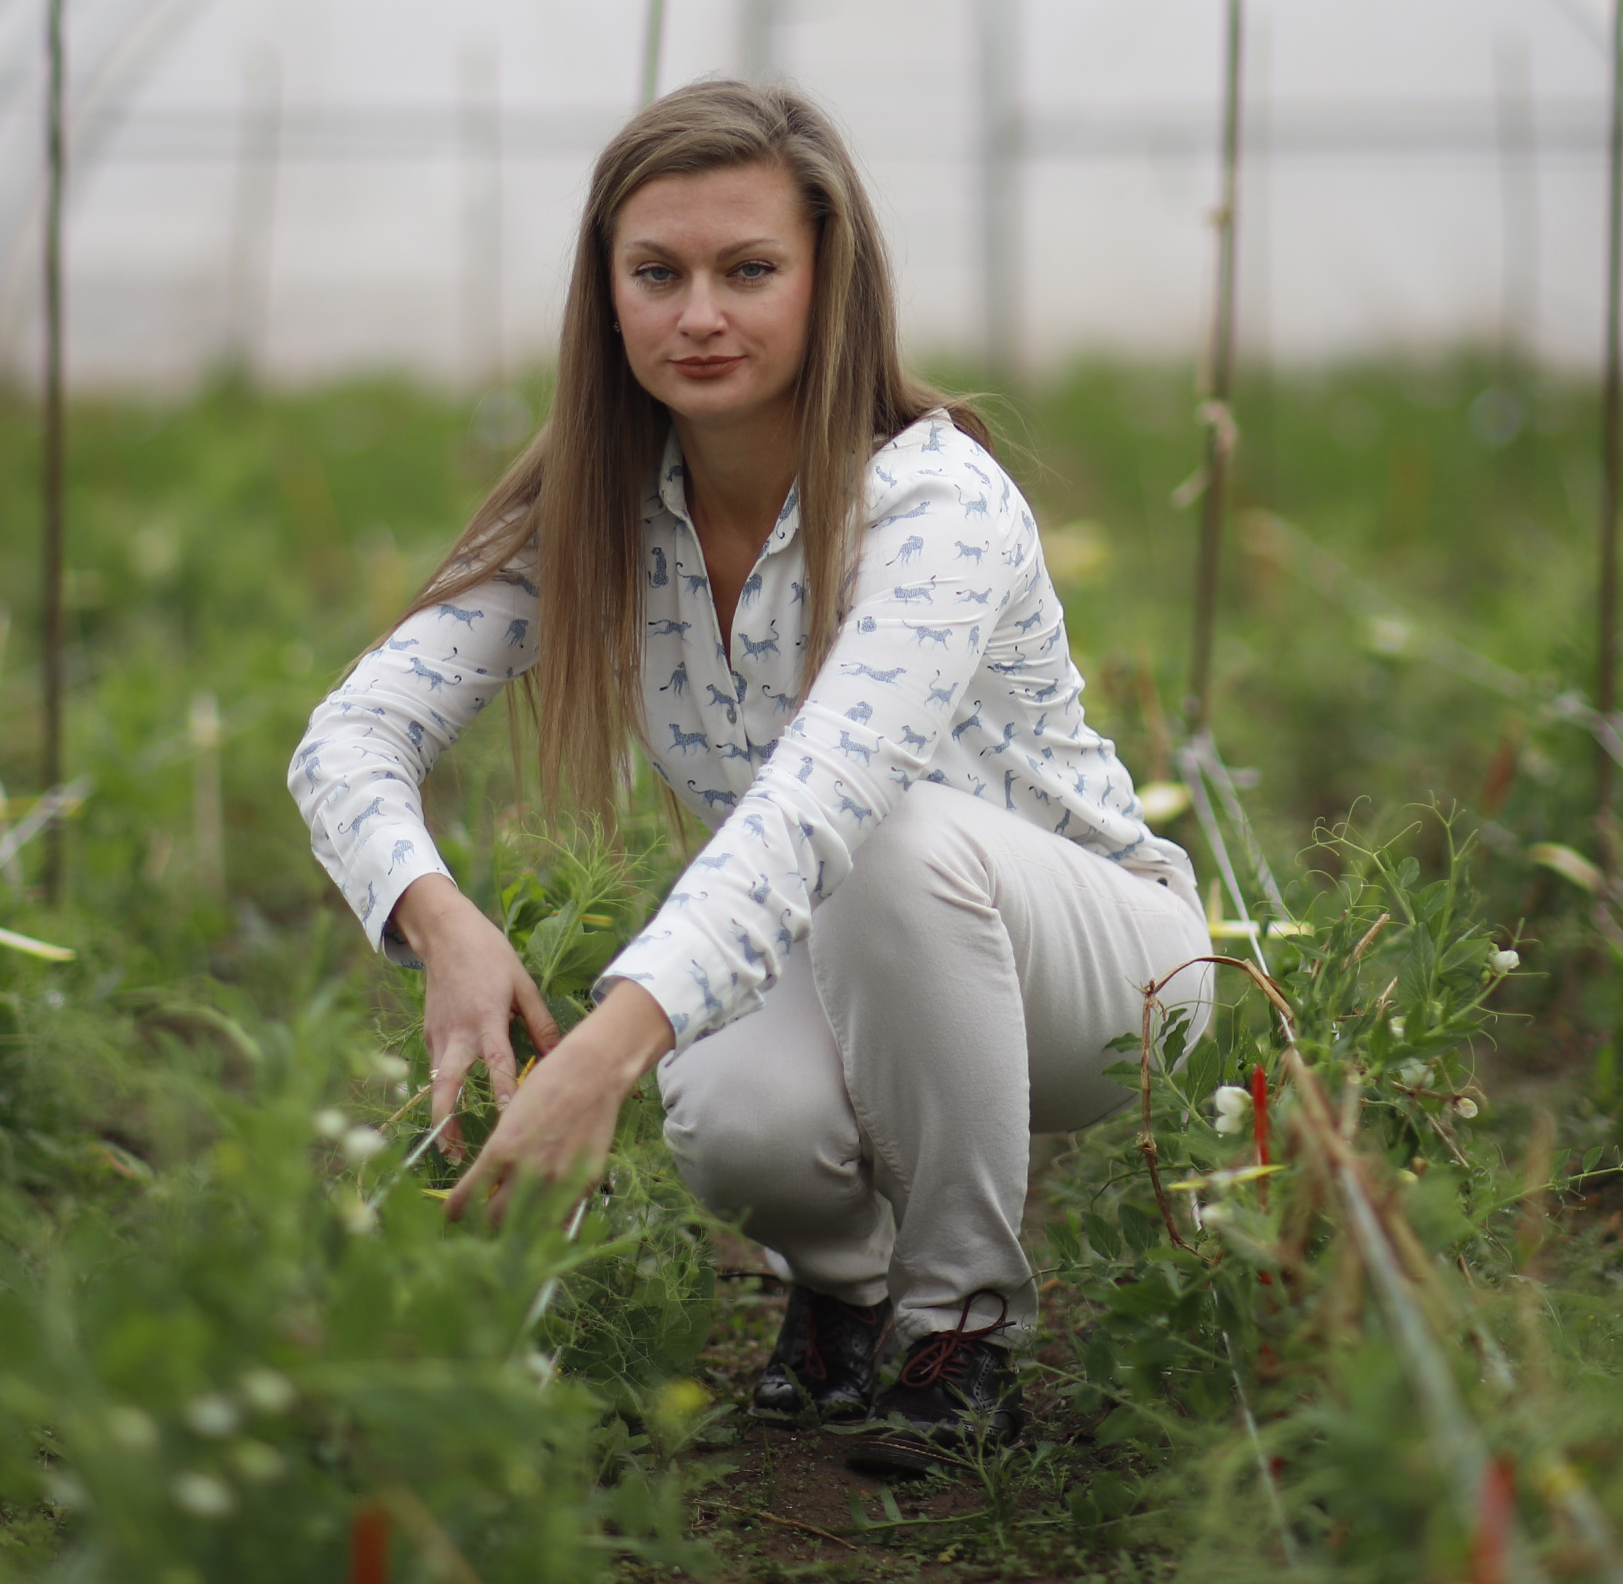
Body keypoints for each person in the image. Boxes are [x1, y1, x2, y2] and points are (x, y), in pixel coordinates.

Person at [289, 80, 1208, 1470]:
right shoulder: (599, 511)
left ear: (828, 285)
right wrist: (440, 924)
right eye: (655, 274)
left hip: (1107, 979)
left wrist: (596, 1056)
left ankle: (962, 1326)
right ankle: (838, 1293)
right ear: (606, 298)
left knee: (887, 840)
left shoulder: (932, 503)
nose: (697, 315)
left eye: (748, 271)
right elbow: (346, 736)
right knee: (731, 1116)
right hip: (848, 955)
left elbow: (821, 802)